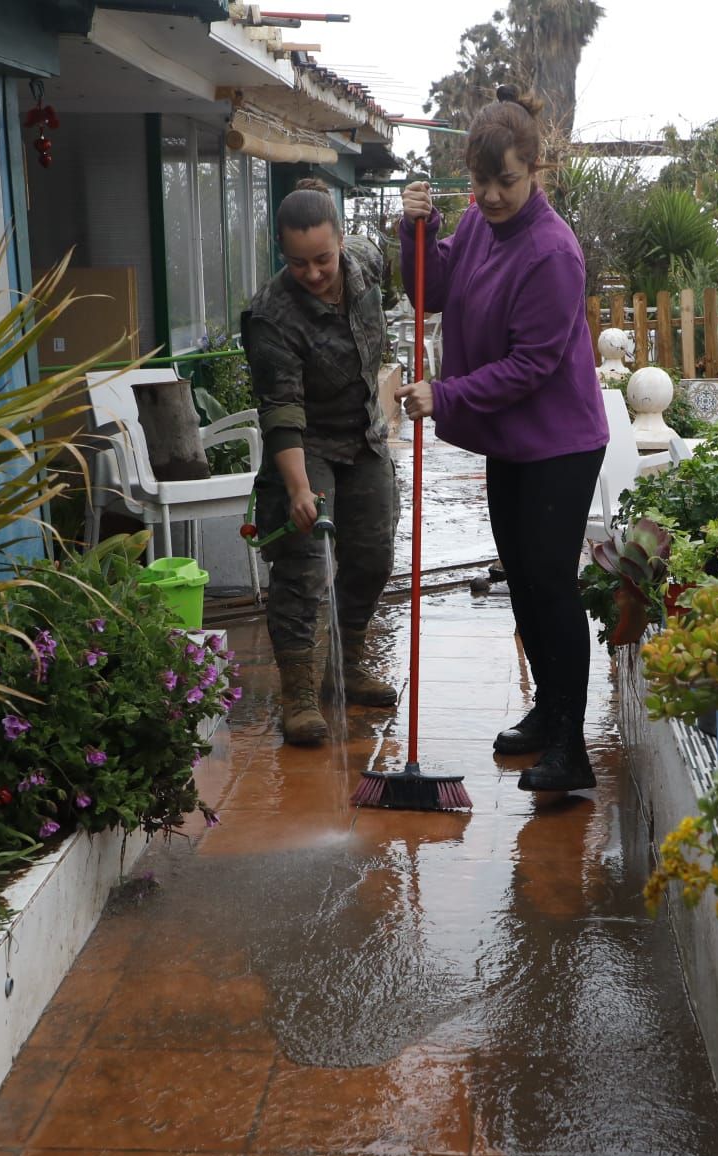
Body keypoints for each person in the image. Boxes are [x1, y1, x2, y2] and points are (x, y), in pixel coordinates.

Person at [398, 86, 608, 793]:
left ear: (536, 171)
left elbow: (531, 366)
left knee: (551, 585)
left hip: (562, 442)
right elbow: (434, 290)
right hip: (515, 441)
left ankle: (572, 749)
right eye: (478, 183)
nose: (489, 196)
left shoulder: (553, 253)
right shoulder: (483, 223)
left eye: (505, 182)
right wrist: (416, 235)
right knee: (522, 578)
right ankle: (548, 716)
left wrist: (446, 394)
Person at [246, 177, 398, 746]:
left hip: (364, 436)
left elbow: (399, 251)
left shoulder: (363, 262)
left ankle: (348, 663)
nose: (313, 273)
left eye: (322, 259)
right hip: (305, 444)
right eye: (298, 262)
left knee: (373, 555)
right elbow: (281, 410)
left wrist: (415, 224)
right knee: (303, 567)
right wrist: (298, 489)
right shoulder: (272, 317)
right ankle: (299, 692)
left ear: (341, 239)